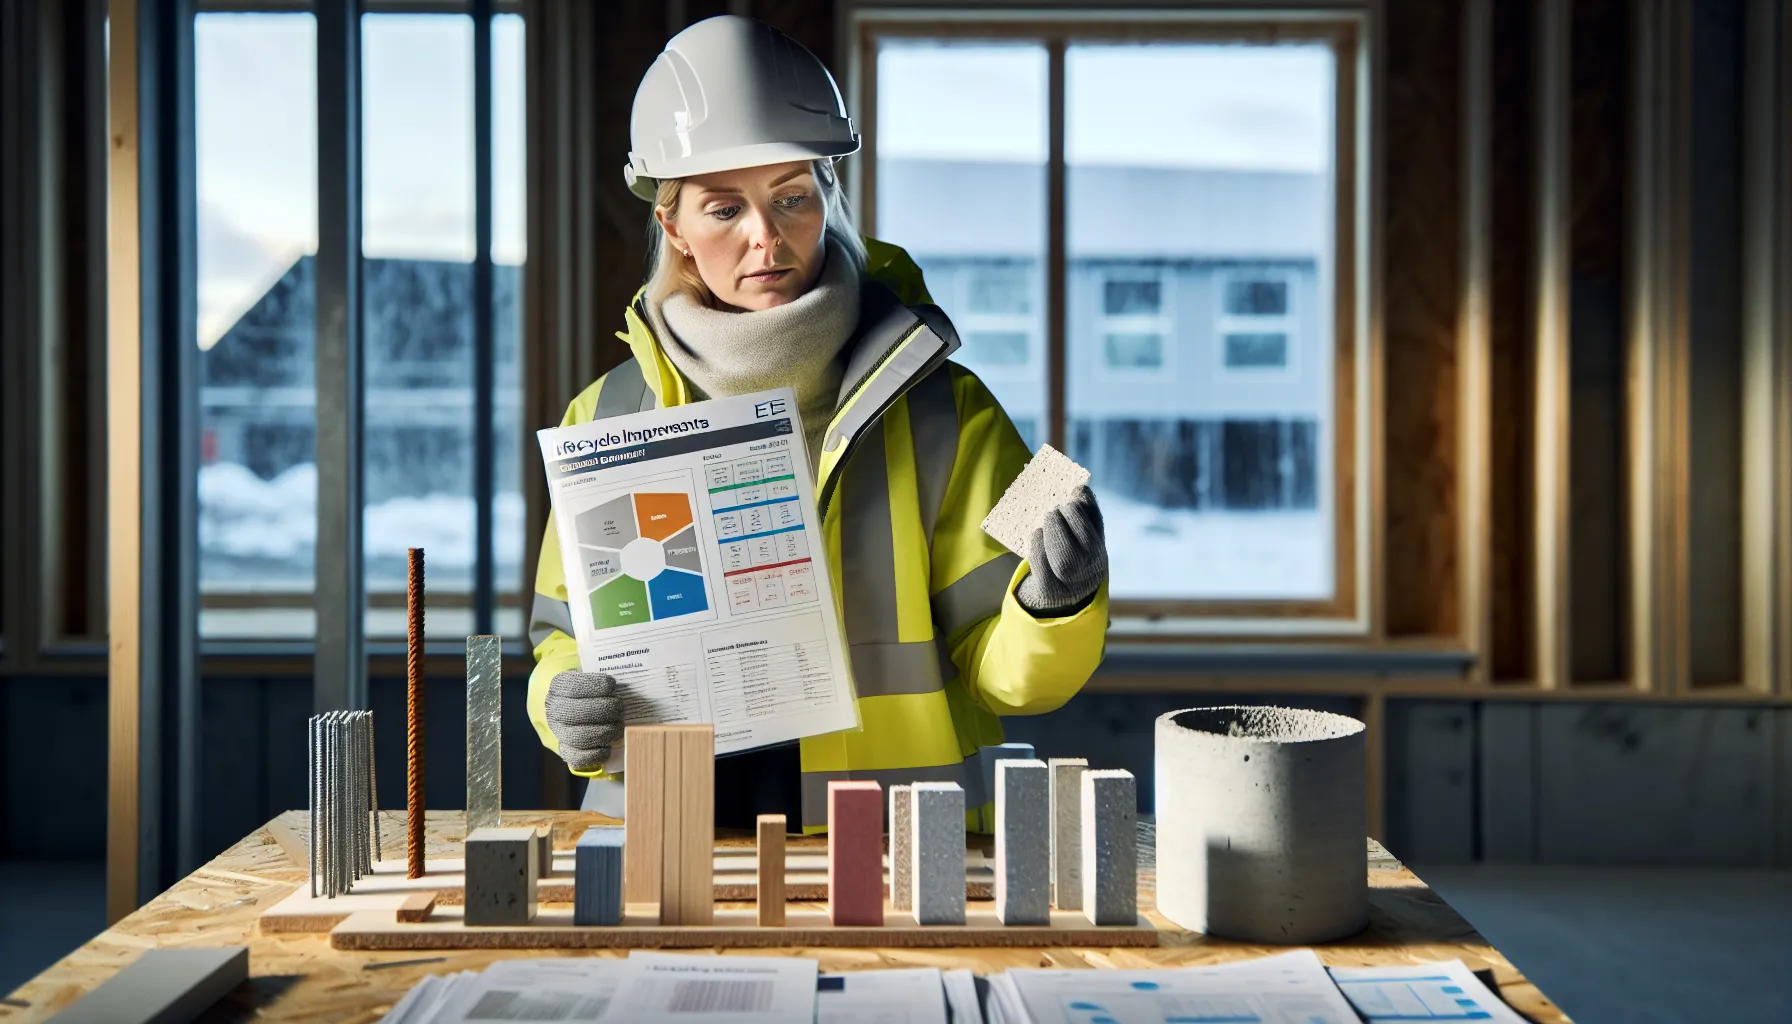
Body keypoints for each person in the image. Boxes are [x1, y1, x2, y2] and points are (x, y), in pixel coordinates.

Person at [525, 14, 1109, 832]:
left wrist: (1057, 604)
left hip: (897, 849)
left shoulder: (950, 407)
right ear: (674, 227)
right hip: (666, 841)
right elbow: (564, 637)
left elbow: (1012, 678)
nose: (766, 237)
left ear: (826, 195)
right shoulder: (610, 412)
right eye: (724, 208)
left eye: (791, 197)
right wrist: (562, 703)